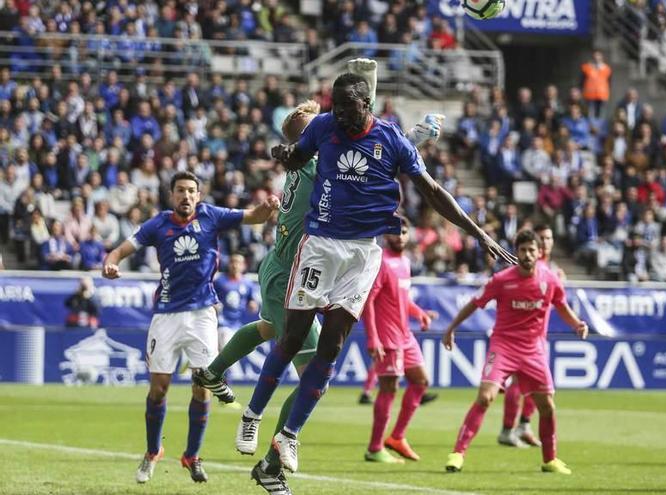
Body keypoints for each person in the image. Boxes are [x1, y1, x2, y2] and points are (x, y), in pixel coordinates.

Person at [255, 68, 516, 476]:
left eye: (348, 108)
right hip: (310, 250)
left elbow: (429, 189)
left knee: (330, 355)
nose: (340, 115)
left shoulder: (384, 139)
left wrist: (478, 231)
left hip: (359, 254)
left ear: (367, 105)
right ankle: (253, 417)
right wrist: (286, 154)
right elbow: (304, 156)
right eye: (335, 108)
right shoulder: (322, 133)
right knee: (289, 340)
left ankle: (286, 438)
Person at [102, 171, 279, 485]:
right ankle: (153, 450)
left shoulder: (212, 215)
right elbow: (120, 249)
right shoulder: (158, 224)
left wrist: (267, 207)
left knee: (203, 385)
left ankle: (192, 456)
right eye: (181, 190)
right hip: (166, 314)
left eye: (192, 191)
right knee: (158, 389)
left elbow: (253, 216)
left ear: (198, 195)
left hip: (202, 314)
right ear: (172, 195)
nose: (186, 196)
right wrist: (111, 262)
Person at [443, 229, 587, 474]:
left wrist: (576, 324)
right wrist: (451, 328)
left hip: (534, 350)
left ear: (539, 252)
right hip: (504, 346)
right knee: (485, 397)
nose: (528, 254)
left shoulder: (550, 279)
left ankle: (550, 459)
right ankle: (457, 453)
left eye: (532, 250)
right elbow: (475, 303)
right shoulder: (501, 280)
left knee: (547, 407)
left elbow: (560, 305)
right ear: (516, 252)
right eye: (523, 250)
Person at [362, 217, 437, 463]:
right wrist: (373, 338)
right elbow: (368, 301)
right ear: (386, 236)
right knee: (389, 388)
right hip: (388, 338)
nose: (400, 236)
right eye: (396, 233)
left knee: (421, 381)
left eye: (404, 232)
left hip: (406, 336)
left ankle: (397, 437)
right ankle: (374, 448)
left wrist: (420, 314)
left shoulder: (404, 262)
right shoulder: (381, 262)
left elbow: (401, 297)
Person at [498, 224, 565, 448]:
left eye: (549, 238)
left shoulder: (550, 271)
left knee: (538, 388)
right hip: (519, 339)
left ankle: (524, 425)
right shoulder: (527, 266)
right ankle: (508, 429)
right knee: (518, 383)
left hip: (539, 338)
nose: (546, 242)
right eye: (543, 238)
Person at [213, 253, 259, 351]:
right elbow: (210, 298)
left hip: (239, 325)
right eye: (232, 262)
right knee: (226, 350)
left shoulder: (248, 284)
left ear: (243, 265)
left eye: (238, 262)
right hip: (223, 324)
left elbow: (252, 302)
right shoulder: (219, 282)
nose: (235, 265)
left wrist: (253, 305)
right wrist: (214, 305)